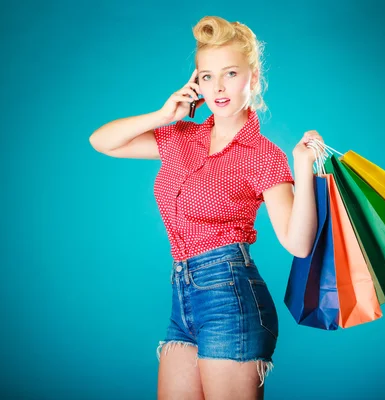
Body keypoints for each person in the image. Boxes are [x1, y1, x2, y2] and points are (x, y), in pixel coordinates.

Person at [90, 15, 323, 400]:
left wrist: (302, 166)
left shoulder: (264, 157)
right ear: (195, 82)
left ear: (254, 77)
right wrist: (163, 116)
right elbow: (102, 141)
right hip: (181, 296)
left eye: (230, 73)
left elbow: (298, 244)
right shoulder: (180, 137)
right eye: (206, 76)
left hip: (229, 296)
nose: (218, 87)